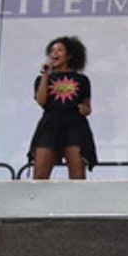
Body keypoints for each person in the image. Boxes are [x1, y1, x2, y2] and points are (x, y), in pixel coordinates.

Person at [29, 36, 96, 180]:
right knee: (40, 175)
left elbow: (88, 106)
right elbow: (41, 101)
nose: (55, 53)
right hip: (50, 124)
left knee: (77, 175)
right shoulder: (42, 79)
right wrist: (45, 74)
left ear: (70, 55)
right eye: (52, 50)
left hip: (75, 125)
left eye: (60, 50)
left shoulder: (82, 80)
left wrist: (85, 110)